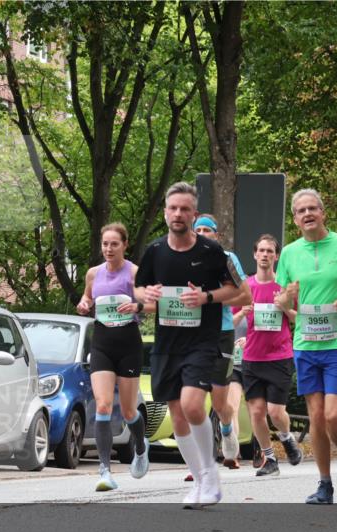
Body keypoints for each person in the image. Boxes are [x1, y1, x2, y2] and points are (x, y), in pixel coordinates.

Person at [136, 182, 243, 508]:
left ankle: (210, 473)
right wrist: (147, 296)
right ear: (166, 212)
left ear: (193, 215)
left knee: (194, 405)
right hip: (168, 344)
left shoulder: (213, 254)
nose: (178, 214)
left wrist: (207, 297)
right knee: (177, 414)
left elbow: (241, 293)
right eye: (173, 208)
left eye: (185, 209)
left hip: (204, 341)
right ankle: (199, 478)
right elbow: (139, 290)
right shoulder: (155, 251)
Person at [274, 189, 337, 504]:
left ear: (323, 212)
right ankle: (324, 484)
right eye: (301, 211)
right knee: (316, 416)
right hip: (305, 344)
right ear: (295, 219)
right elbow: (280, 299)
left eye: (312, 209)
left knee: (333, 415)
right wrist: (287, 297)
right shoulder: (289, 253)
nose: (307, 214)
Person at [76, 223, 150, 491]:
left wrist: (137, 305)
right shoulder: (93, 274)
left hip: (128, 343)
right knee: (104, 405)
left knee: (129, 411)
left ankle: (141, 447)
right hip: (102, 343)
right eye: (105, 244)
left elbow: (153, 303)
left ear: (124, 245)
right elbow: (86, 298)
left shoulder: (133, 273)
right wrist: (84, 304)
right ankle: (105, 471)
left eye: (114, 244)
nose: (108, 249)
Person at [234, 233, 303, 477]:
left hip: (279, 356)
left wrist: (285, 307)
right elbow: (230, 322)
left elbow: (301, 319)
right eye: (261, 250)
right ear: (255, 254)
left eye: (269, 251)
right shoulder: (246, 287)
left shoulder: (285, 287)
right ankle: (269, 459)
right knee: (256, 411)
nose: (265, 255)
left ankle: (286, 437)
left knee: (275, 412)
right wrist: (242, 313)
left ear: (276, 257)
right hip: (251, 358)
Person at [193, 216, 252, 469]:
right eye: (199, 229)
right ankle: (199, 463)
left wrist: (209, 299)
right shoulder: (184, 257)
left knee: (219, 403)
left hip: (222, 332)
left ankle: (227, 428)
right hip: (192, 334)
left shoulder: (228, 258)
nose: (203, 233)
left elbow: (242, 295)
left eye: (208, 229)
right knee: (192, 400)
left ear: (217, 234)